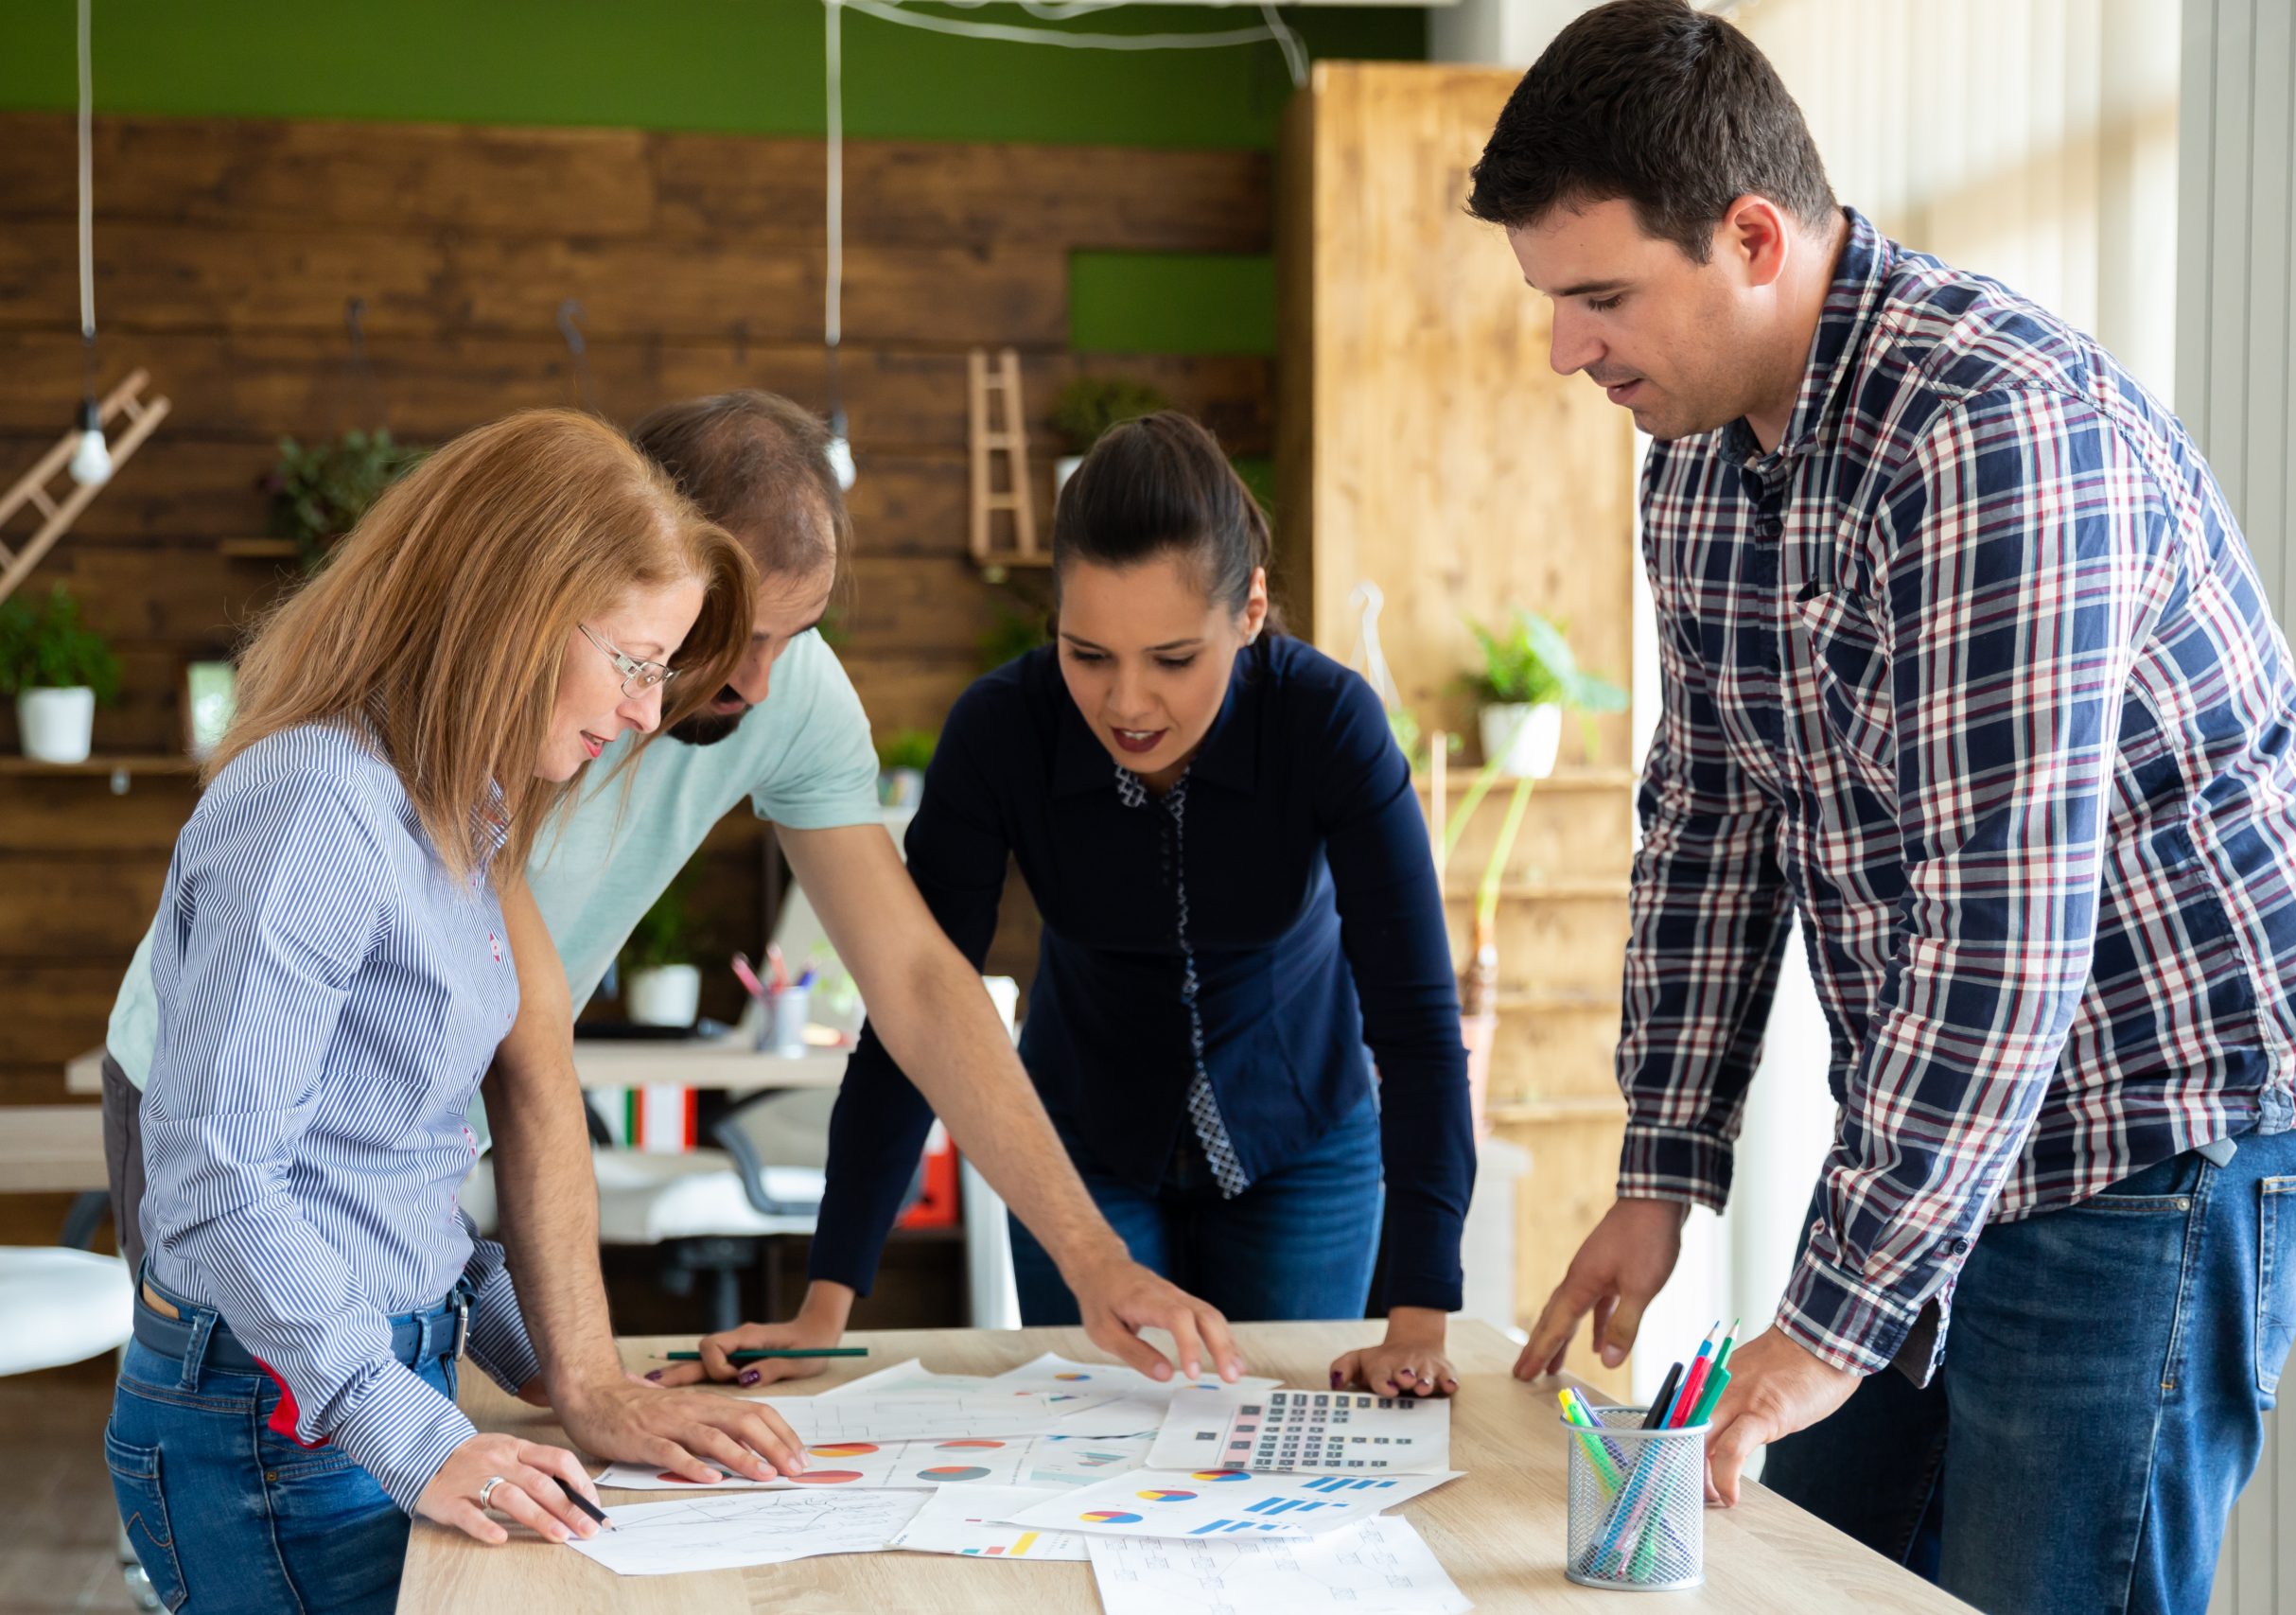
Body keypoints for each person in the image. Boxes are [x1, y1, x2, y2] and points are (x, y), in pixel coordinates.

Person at [1472, 5, 2296, 1611]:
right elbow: (1711, 820)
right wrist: (1663, 1164)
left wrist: (1826, 1325)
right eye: (1555, 301)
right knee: (1812, 1559)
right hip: (1981, 1109)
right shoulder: (1696, 463)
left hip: (2170, 1113)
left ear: (1753, 238)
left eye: (1600, 296)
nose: (1568, 349)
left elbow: (2000, 930)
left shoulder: (1992, 434)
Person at [99, 392, 1241, 1486]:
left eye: (793, 634)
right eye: (726, 632)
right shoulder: (493, 705)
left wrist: (1094, 1262)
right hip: (223, 1099)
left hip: (411, 1126)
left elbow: (916, 980)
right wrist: (590, 1383)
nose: (751, 679)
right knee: (262, 1427)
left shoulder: (778, 687)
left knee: (405, 1459)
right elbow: (528, 1057)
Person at [665, 413, 1479, 1398]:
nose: (1128, 703)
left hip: (1302, 1140)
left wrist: (1420, 1320)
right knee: (1104, 1451)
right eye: (1087, 654)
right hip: (1081, 1149)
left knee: (1275, 1446)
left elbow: (1418, 1023)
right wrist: (823, 1311)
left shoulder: (1328, 724)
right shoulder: (1002, 731)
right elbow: (913, 1005)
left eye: (1173, 659)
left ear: (1251, 610)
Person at [107, 410, 761, 1614]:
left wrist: (583, 1379)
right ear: (512, 609)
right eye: (631, 659)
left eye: (660, 672)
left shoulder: (456, 815)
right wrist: (408, 1428)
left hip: (350, 1392)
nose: (643, 712)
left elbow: (386, 1180)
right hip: (277, 1426)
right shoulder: (314, 803)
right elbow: (211, 1186)